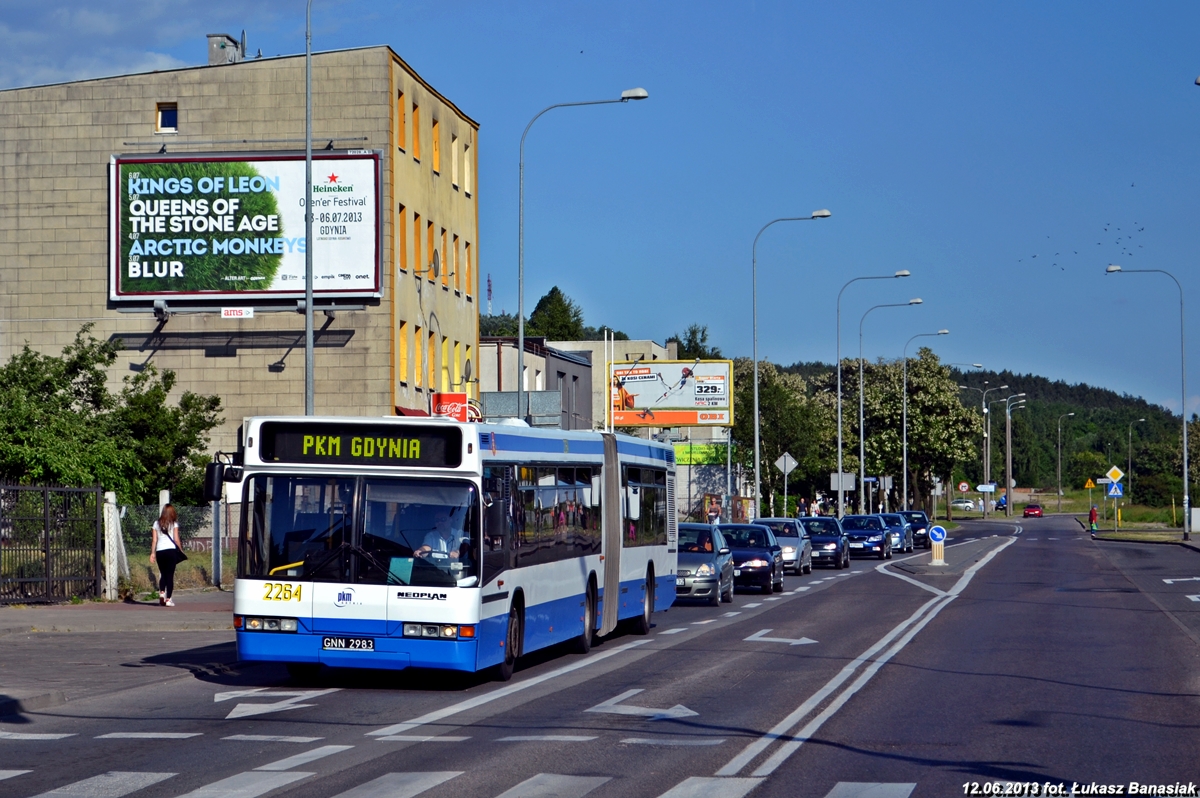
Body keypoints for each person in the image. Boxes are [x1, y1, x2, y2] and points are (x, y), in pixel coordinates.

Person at [149, 504, 184, 607]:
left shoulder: (156, 523)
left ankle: (161, 593)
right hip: (171, 551)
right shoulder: (174, 523)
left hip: (160, 551)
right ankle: (168, 599)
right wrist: (180, 550)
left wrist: (152, 553)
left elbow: (154, 540)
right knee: (170, 575)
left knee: (163, 574)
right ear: (172, 512)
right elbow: (176, 539)